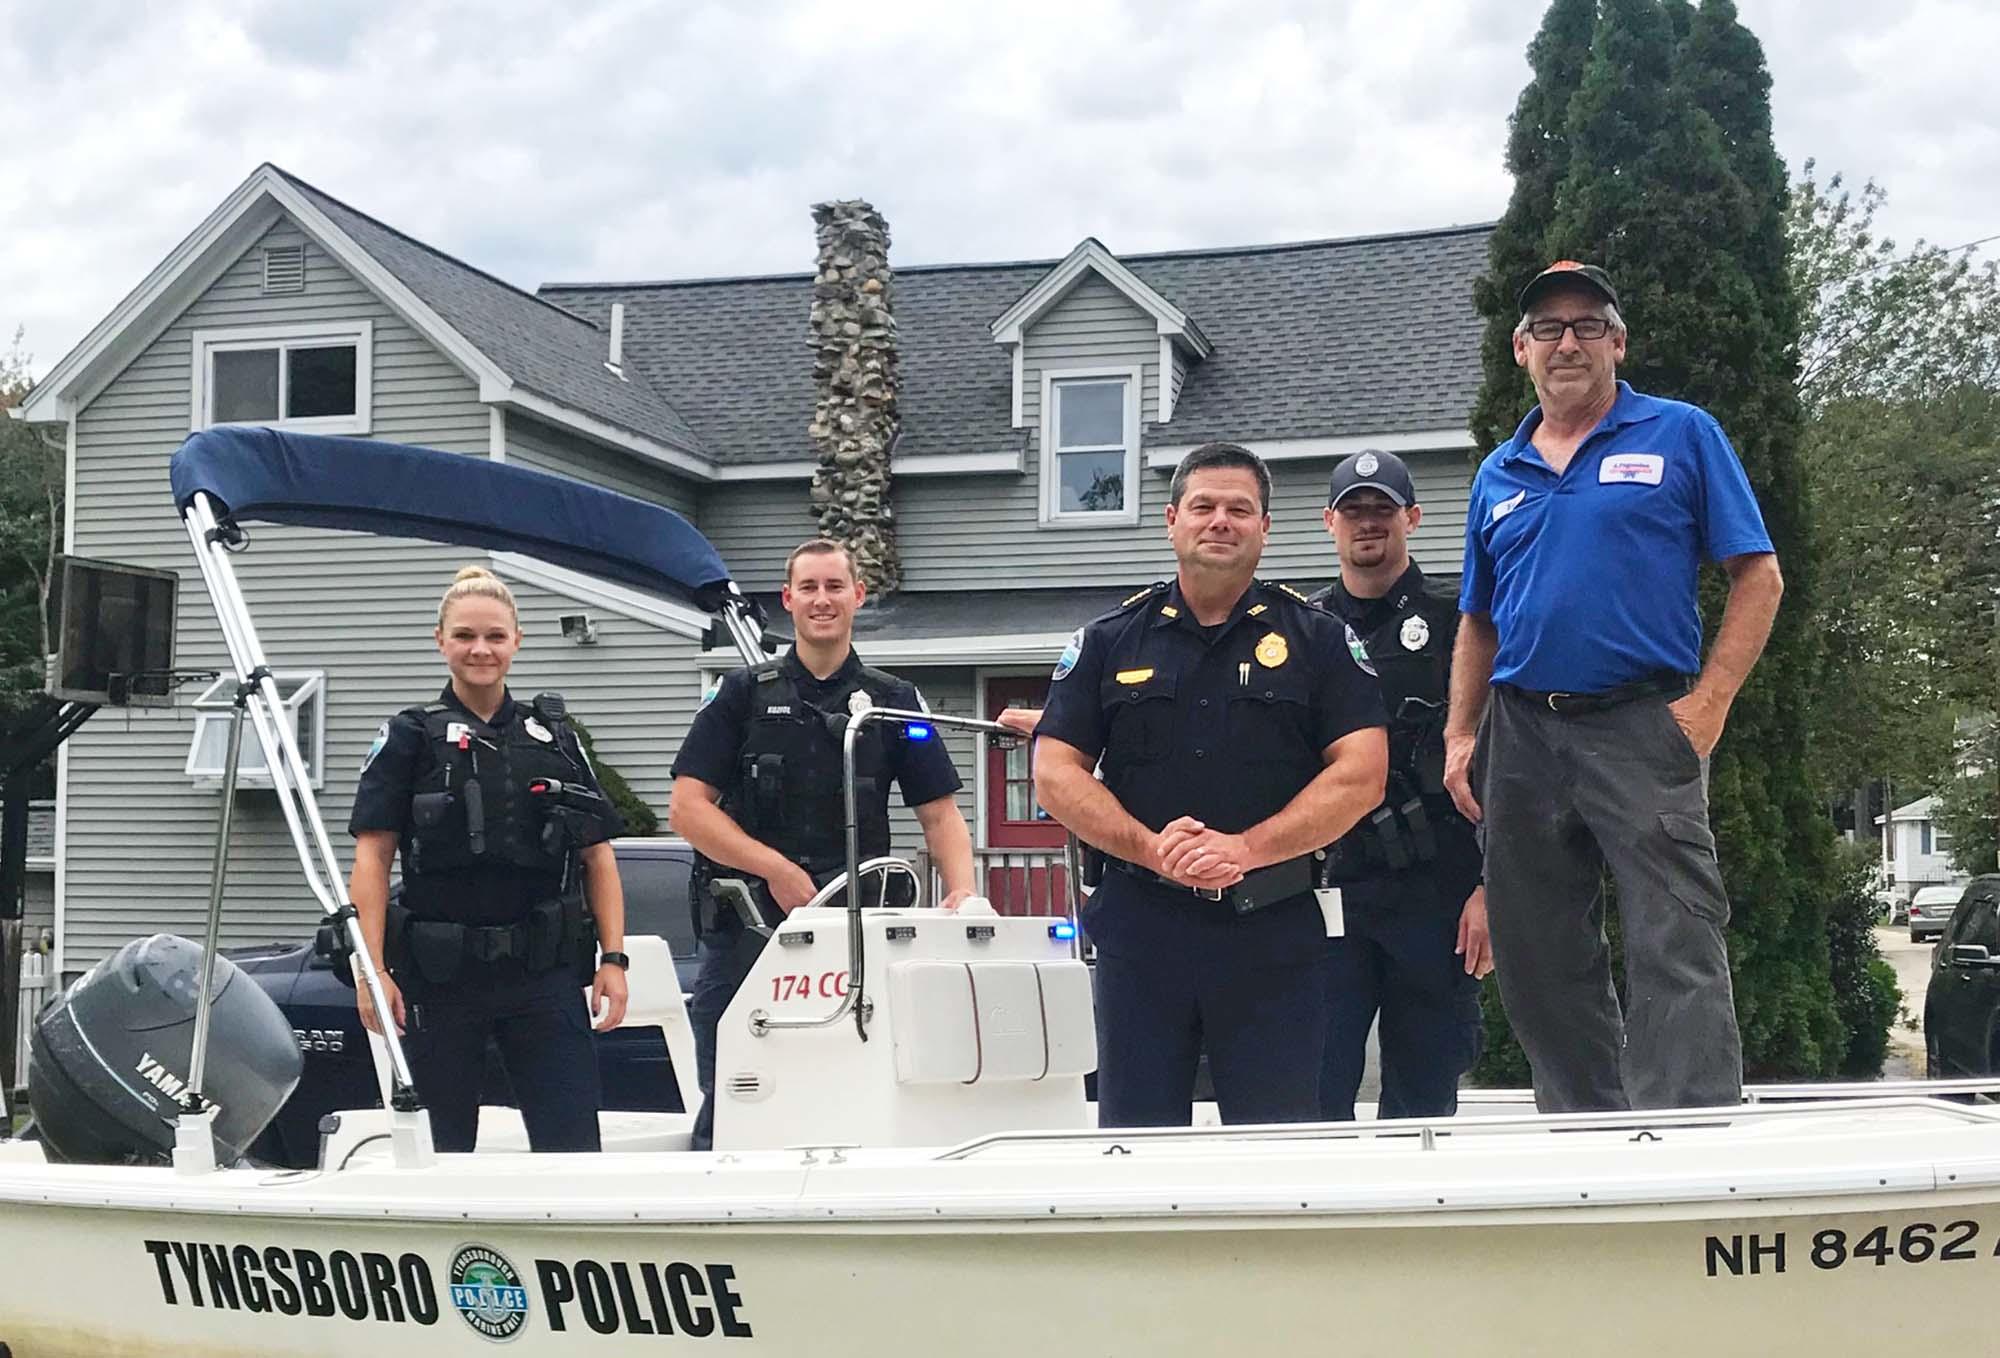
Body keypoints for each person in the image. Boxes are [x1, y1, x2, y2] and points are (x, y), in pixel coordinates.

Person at [1443, 261, 1785, 1113]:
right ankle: (1589, 1135)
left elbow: (1760, 577)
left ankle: (1689, 1143)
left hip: (1641, 721)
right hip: (1520, 733)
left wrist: (1707, 707)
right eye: (1548, 329)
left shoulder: (1680, 434)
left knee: (1676, 933)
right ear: (1521, 350)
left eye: (1587, 325)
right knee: (1535, 951)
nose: (1568, 342)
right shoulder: (1499, 473)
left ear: (1618, 342)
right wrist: (1460, 734)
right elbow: (1478, 621)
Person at [1033, 442, 1388, 1127]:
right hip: (1143, 932)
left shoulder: (1318, 640)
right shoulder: (1110, 641)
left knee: (1279, 1153)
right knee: (1135, 1146)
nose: (1220, 521)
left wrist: (1245, 851)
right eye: (1203, 506)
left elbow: (1362, 774)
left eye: (1239, 509)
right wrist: (1149, 848)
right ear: (1172, 521)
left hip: (1272, 933)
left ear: (1265, 528)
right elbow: (1055, 772)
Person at [668, 538, 976, 1151]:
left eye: (835, 586)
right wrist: (773, 867)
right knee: (736, 1097)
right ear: (788, 600)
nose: (822, 600)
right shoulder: (740, 696)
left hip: (855, 936)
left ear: (859, 595)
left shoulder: (893, 703)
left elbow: (940, 815)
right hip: (750, 932)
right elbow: (686, 809)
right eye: (808, 588)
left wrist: (965, 894)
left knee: (856, 1091)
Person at [349, 565, 630, 1153]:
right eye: (466, 635)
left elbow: (598, 856)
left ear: (517, 641)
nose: (481, 649)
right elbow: (373, 860)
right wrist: (372, 970)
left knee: (573, 1150)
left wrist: (614, 959)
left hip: (543, 976)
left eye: (496, 636)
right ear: (441, 641)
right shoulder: (408, 738)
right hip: (442, 979)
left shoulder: (555, 735)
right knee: (436, 1151)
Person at [1309, 449, 1491, 1121]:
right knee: (1313, 1092)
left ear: (1411, 517)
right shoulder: (1302, 631)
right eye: (1353, 511)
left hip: (1435, 893)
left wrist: (1491, 888)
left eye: (1382, 509)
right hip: (1332, 891)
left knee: (1423, 1104)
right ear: (1329, 522)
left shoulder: (1459, 626)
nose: (1368, 523)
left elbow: (1504, 760)